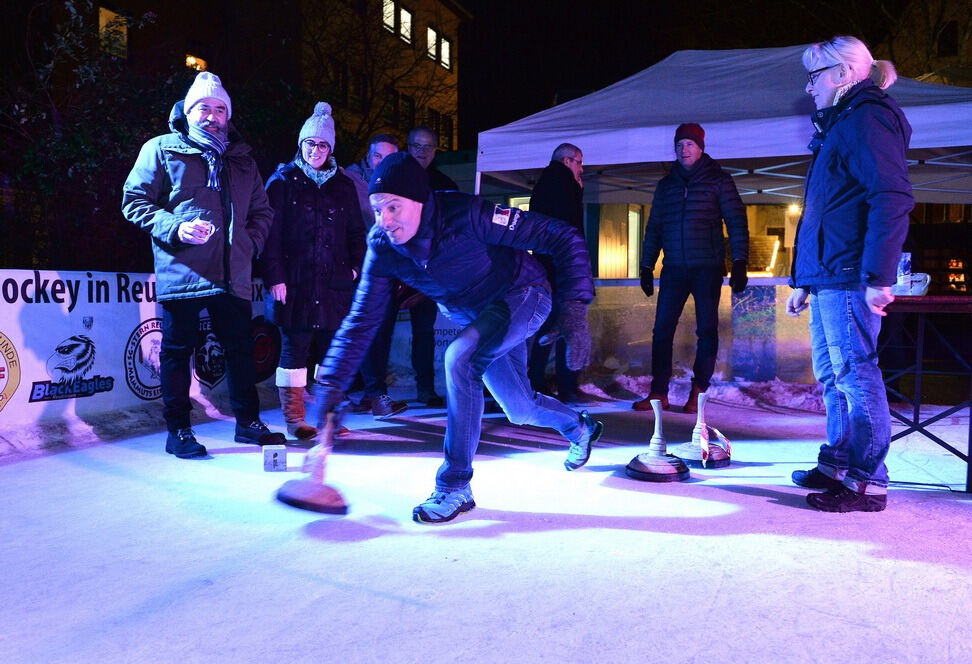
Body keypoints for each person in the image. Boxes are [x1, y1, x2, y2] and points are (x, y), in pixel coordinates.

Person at [311, 152, 602, 523]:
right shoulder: (383, 247)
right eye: (378, 209)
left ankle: (454, 485)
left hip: (523, 293)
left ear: (419, 200)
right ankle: (579, 427)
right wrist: (332, 384)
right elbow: (361, 320)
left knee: (459, 359)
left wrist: (575, 306)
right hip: (480, 318)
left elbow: (560, 235)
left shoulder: (466, 214)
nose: (385, 220)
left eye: (394, 207)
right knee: (519, 407)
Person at [122, 71, 285, 458]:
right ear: (188, 110)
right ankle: (178, 430)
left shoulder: (242, 160)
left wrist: (248, 243)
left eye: (219, 109)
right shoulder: (161, 149)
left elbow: (262, 211)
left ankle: (248, 423)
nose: (212, 116)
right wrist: (176, 228)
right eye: (204, 108)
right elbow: (134, 200)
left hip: (233, 274)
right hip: (184, 271)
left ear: (228, 115)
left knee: (240, 350)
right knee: (177, 351)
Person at [786, 36, 913, 513]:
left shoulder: (867, 118)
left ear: (842, 74)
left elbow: (890, 196)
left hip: (849, 273)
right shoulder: (841, 122)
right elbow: (826, 209)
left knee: (855, 374)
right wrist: (804, 280)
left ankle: (867, 482)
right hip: (828, 274)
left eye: (814, 76)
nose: (809, 87)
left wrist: (879, 275)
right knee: (833, 375)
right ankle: (837, 463)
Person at [262, 102, 367, 439]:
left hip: (335, 284)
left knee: (330, 353)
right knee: (294, 349)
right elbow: (269, 234)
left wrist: (355, 269)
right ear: (301, 143)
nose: (316, 150)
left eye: (323, 145)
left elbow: (357, 233)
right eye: (310, 143)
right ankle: (295, 420)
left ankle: (327, 418)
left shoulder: (344, 185)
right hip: (294, 283)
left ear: (331, 149)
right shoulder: (282, 181)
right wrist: (275, 276)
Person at [634, 123, 749, 414]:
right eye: (679, 145)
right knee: (662, 330)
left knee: (706, 330)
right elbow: (655, 227)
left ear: (700, 148)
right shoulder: (666, 185)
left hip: (707, 268)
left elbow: (736, 221)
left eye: (689, 144)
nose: (683, 150)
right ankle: (658, 393)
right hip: (673, 268)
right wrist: (646, 265)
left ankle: (698, 391)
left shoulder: (718, 180)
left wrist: (739, 261)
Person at [343, 134, 408, 418]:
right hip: (361, 271)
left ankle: (372, 394)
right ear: (368, 157)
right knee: (369, 332)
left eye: (388, 157)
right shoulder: (351, 182)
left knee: (382, 334)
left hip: (389, 270)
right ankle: (374, 394)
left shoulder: (399, 185)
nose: (382, 162)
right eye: (377, 156)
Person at [526, 142, 589, 403]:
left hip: (545, 265)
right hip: (563, 266)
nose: (581, 169)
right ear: (567, 161)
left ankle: (537, 380)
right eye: (579, 162)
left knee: (548, 323)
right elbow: (571, 228)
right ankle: (566, 384)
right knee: (567, 323)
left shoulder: (542, 185)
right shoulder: (565, 185)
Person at [403, 125, 456, 406]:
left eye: (428, 147)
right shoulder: (394, 178)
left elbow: (453, 229)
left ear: (436, 150)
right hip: (396, 266)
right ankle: (373, 390)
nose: (422, 152)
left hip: (430, 270)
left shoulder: (445, 184)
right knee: (379, 330)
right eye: (417, 146)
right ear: (408, 147)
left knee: (424, 330)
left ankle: (425, 388)